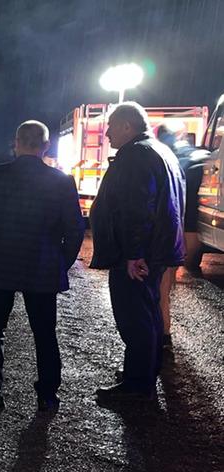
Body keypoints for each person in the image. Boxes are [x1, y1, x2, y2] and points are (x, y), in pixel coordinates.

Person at [0, 120, 85, 414]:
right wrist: (60, 262)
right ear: (45, 146)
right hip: (42, 267)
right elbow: (74, 231)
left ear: (16, 142)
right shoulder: (61, 182)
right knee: (45, 332)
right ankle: (47, 395)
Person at [90, 102, 185, 403]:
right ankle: (145, 369)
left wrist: (133, 253)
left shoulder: (135, 156)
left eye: (111, 126)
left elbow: (136, 208)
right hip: (157, 251)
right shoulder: (161, 152)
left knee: (134, 317)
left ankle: (137, 384)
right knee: (150, 311)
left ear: (127, 127)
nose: (106, 133)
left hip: (138, 255)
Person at [155, 124, 209, 348]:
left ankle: (162, 335)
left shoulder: (164, 156)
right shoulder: (195, 155)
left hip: (173, 227)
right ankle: (164, 332)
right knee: (167, 283)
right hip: (189, 225)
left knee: (161, 286)